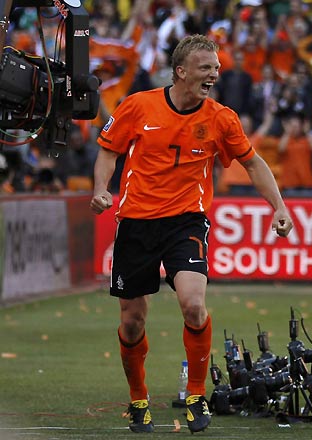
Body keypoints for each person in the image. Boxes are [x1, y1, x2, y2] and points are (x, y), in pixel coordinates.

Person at [89, 34, 293, 434]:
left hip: (187, 221)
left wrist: (280, 207)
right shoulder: (138, 105)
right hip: (136, 223)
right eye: (206, 67)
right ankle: (138, 399)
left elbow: (253, 164)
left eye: (216, 68)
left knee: (194, 305)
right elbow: (109, 150)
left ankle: (197, 394)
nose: (214, 74)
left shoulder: (221, 118)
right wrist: (100, 188)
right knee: (132, 322)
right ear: (181, 72)